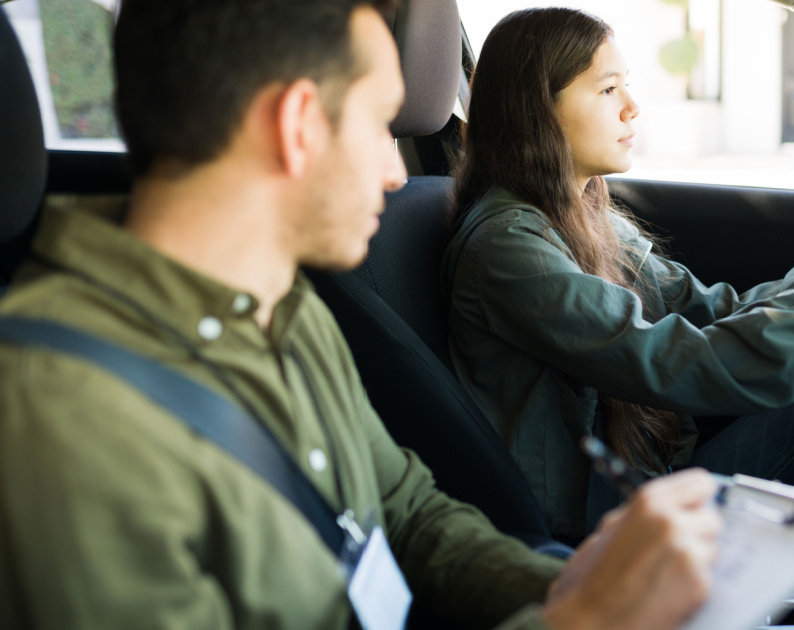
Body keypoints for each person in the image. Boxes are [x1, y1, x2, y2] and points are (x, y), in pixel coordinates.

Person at [0, 1, 723, 629]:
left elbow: (404, 510)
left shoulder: (285, 307)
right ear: (297, 126)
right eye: (381, 125)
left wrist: (573, 585)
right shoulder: (61, 415)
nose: (392, 169)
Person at [443, 7, 794, 540]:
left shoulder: (586, 217)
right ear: (537, 109)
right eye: (608, 88)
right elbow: (677, 362)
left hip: (655, 481)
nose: (632, 106)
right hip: (615, 527)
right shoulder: (510, 248)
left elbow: (717, 311)